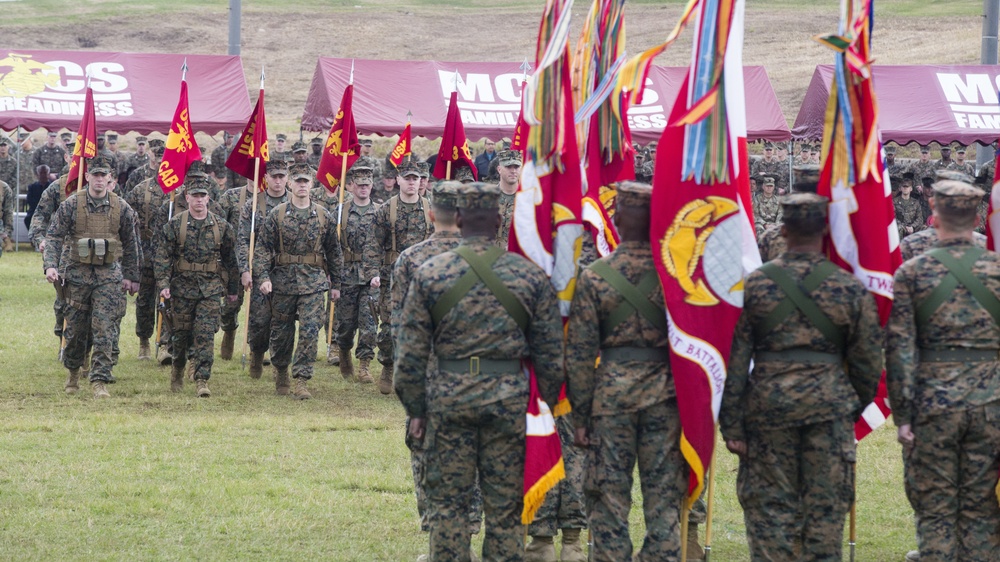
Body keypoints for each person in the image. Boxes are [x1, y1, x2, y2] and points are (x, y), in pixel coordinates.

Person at [394, 182, 564, 561]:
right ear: (500, 220)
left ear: (456, 219)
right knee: (505, 510)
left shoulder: (431, 273)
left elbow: (410, 355)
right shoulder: (528, 276)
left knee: (449, 507)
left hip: (448, 400)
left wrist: (416, 410)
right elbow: (551, 354)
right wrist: (548, 404)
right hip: (509, 401)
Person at [720, 192, 882, 561]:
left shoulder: (756, 285)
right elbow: (868, 363)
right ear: (825, 229)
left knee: (768, 517)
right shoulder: (847, 286)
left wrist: (732, 428)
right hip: (829, 411)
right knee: (824, 521)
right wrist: (847, 410)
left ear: (784, 229)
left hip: (768, 412)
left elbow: (736, 360)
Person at [886, 179, 1000, 561]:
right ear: (978, 216)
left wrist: (902, 415)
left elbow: (900, 347)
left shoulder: (913, 272)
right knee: (983, 506)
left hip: (932, 405)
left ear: (934, 214)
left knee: (935, 508)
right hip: (991, 405)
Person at [565, 182, 677, 562]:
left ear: (615, 220)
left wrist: (580, 417)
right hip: (666, 397)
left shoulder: (596, 276)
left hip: (610, 400)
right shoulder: (674, 275)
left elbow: (579, 354)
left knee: (608, 497)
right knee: (664, 496)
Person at [43, 155, 141, 398]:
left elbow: (131, 244)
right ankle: (73, 372)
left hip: (108, 276)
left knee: (104, 328)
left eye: (103, 175)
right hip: (77, 274)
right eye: (94, 175)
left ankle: (99, 380)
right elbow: (54, 236)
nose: (99, 179)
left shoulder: (121, 208)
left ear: (110, 179)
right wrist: (50, 266)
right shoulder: (71, 205)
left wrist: (132, 276)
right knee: (76, 330)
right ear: (87, 177)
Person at [253, 162, 343, 399]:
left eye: (306, 181)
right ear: (290, 184)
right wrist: (262, 277)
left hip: (313, 283)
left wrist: (337, 285)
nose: (302, 185)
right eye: (298, 181)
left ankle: (302, 378)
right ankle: (281, 369)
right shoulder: (277, 214)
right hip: (282, 282)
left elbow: (334, 251)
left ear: (312, 184)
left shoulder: (324, 216)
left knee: (310, 331)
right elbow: (262, 248)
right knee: (281, 331)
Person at [153, 178, 239, 397]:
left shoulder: (221, 226)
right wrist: (163, 284)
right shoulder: (175, 225)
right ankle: (178, 370)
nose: (199, 200)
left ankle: (202, 378)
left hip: (210, 289)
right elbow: (162, 256)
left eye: (203, 196)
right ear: (187, 198)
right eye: (195, 196)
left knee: (205, 335)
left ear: (208, 198)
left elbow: (231, 260)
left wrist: (232, 290)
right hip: (181, 289)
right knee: (180, 335)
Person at [363, 160, 433, 394]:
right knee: (389, 327)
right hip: (392, 276)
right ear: (399, 181)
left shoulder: (431, 209)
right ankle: (388, 366)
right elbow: (373, 243)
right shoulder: (386, 209)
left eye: (416, 178)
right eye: (408, 178)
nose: (412, 182)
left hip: (422, 278)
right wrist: (372, 272)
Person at [239, 159, 290, 378]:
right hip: (260, 269)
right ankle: (257, 355)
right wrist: (244, 269)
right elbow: (242, 240)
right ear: (266, 178)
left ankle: (281, 367)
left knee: (284, 321)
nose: (278, 181)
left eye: (281, 177)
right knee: (260, 320)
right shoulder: (253, 205)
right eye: (274, 177)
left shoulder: (295, 202)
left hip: (288, 272)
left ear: (287, 178)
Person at [122, 141, 169, 360]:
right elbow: (127, 218)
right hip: (146, 254)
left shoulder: (180, 191)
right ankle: (144, 341)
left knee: (169, 298)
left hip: (169, 256)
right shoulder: (141, 188)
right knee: (145, 301)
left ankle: (167, 342)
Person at [334, 163, 379, 382]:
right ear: (351, 186)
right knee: (345, 323)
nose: (363, 188)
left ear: (372, 186)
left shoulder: (380, 212)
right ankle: (343, 351)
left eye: (367, 185)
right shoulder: (340, 212)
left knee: (369, 322)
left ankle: (364, 365)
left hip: (372, 275)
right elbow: (331, 246)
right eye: (359, 185)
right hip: (346, 274)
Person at [494, 149, 521, 249]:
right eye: (508, 167)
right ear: (499, 169)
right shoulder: (488, 198)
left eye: (516, 167)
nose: (513, 171)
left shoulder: (527, 200)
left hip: (518, 258)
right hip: (493, 257)